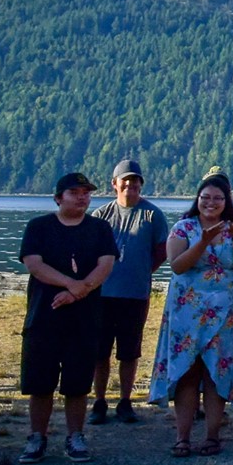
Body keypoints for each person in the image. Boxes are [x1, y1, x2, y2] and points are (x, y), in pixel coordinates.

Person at [149, 172, 233, 457]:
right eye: (205, 197)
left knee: (216, 371)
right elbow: (178, 265)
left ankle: (212, 436)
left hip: (225, 313)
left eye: (217, 198)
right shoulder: (183, 228)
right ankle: (182, 437)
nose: (211, 203)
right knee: (187, 372)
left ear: (226, 201)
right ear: (197, 199)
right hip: (187, 311)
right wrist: (203, 242)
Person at [18, 173, 120, 464]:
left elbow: (106, 265)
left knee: (78, 382)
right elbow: (34, 265)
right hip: (44, 316)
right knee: (40, 382)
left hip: (84, 318)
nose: (82, 197)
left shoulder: (99, 228)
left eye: (86, 193)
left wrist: (78, 292)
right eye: (74, 192)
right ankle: (37, 437)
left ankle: (75, 436)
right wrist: (70, 284)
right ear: (58, 197)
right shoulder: (38, 227)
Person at [89, 158, 170, 426]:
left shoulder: (152, 215)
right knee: (100, 352)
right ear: (114, 184)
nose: (130, 186)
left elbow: (161, 251)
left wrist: (143, 270)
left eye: (135, 182)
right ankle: (99, 401)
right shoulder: (101, 216)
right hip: (101, 294)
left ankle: (125, 401)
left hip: (135, 294)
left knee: (129, 351)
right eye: (126, 181)